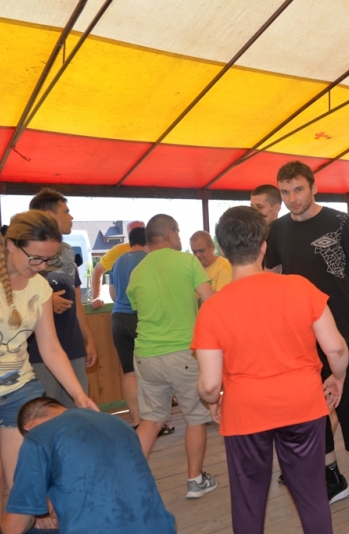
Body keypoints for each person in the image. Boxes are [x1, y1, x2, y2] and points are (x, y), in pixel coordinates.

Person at [195, 206, 349, 534]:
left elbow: (208, 385)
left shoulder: (212, 308)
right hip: (302, 404)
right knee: (312, 496)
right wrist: (338, 377)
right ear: (263, 246)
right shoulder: (300, 287)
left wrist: (213, 400)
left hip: (245, 412)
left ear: (223, 250)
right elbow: (336, 348)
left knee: (248, 501)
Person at [0, 210, 98, 534]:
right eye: (35, 258)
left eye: (48, 260)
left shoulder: (39, 286)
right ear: (11, 244)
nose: (40, 267)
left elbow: (50, 349)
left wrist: (79, 395)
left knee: (29, 491)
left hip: (21, 392)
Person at [265, 161, 349, 521]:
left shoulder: (340, 222)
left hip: (340, 331)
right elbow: (272, 278)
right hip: (298, 337)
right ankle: (332, 477)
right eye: (285, 192)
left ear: (313, 188)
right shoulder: (277, 230)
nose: (292, 198)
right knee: (313, 410)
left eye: (298, 189)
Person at [126, 214, 218, 499]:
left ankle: (127, 482)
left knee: (151, 420)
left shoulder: (137, 271)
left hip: (146, 355)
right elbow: (211, 300)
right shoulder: (187, 262)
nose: (179, 238)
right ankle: (195, 481)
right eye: (178, 233)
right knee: (195, 418)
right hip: (183, 353)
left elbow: (136, 307)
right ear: (169, 234)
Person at [0, 397, 175, 534]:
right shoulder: (118, 423)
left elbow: (13, 528)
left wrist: (32, 511)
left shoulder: (38, 435)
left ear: (29, 428)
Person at [27, 188, 97, 409]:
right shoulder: (24, 252)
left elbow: (76, 301)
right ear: (49, 215)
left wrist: (89, 340)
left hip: (72, 347)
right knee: (44, 413)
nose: (71, 217)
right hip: (36, 351)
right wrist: (46, 303)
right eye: (66, 211)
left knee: (78, 410)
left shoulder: (67, 251)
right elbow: (11, 298)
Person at [108, 226, 173, 433]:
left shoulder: (118, 261)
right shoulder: (149, 260)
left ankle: (137, 421)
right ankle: (156, 423)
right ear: (148, 240)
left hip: (118, 318)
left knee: (130, 374)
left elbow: (113, 294)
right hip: (141, 317)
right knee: (150, 374)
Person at [90, 220, 145, 309]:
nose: (137, 235)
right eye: (134, 232)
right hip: (125, 308)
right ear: (128, 234)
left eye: (140, 231)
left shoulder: (153, 250)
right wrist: (96, 297)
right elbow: (97, 271)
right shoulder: (118, 251)